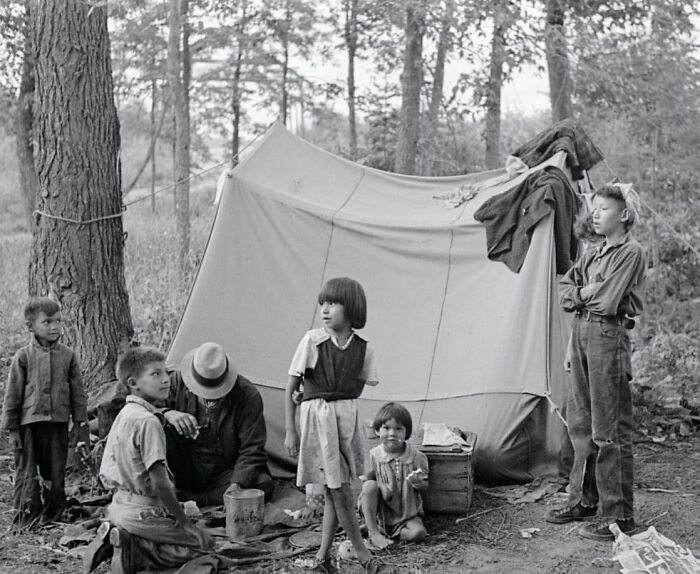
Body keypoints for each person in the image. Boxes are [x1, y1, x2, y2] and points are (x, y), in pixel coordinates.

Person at [547, 184, 645, 541]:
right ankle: (585, 500)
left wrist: (585, 296)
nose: (596, 214)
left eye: (604, 208)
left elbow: (607, 303)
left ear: (623, 215)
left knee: (610, 430)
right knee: (580, 424)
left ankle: (618, 515)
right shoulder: (592, 253)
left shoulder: (629, 252)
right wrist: (584, 292)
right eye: (595, 208)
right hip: (582, 335)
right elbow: (565, 292)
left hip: (608, 337)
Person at [284, 277, 386, 574]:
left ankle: (322, 557)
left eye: (333, 304)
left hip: (345, 420)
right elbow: (291, 385)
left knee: (333, 490)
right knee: (340, 489)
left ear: (351, 307)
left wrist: (343, 404)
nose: (325, 310)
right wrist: (291, 430)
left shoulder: (363, 348)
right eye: (322, 304)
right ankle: (363, 553)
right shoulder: (312, 340)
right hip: (319, 420)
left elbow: (359, 385)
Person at [96, 347, 213, 572]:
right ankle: (136, 551)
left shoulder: (126, 413)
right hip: (142, 512)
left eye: (166, 373)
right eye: (155, 374)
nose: (166, 380)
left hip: (119, 504)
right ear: (133, 383)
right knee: (205, 545)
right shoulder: (149, 422)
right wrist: (184, 523)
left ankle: (118, 535)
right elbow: (160, 483)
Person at [0, 297, 87, 528]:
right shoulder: (23, 356)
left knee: (56, 470)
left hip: (58, 424)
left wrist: (79, 424)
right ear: (31, 327)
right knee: (27, 470)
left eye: (58, 321)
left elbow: (78, 392)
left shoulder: (68, 356)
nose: (55, 327)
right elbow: (13, 395)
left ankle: (54, 512)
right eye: (47, 322)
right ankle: (27, 514)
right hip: (29, 425)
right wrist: (12, 429)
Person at [163, 342, 274, 505]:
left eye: (216, 395)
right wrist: (167, 413)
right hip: (183, 465)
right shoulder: (175, 382)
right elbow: (139, 407)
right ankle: (198, 498)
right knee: (156, 427)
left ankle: (190, 499)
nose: (209, 401)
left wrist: (237, 485)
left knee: (263, 484)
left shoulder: (248, 395)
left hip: (223, 471)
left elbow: (252, 449)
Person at [360, 402, 429, 549]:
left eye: (398, 429)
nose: (392, 433)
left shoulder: (416, 457)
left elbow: (425, 485)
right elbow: (368, 484)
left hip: (406, 514)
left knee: (418, 533)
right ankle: (374, 531)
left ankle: (387, 532)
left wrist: (419, 483)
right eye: (386, 428)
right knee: (369, 486)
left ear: (407, 433)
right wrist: (367, 479)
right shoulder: (374, 455)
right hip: (381, 511)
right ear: (377, 431)